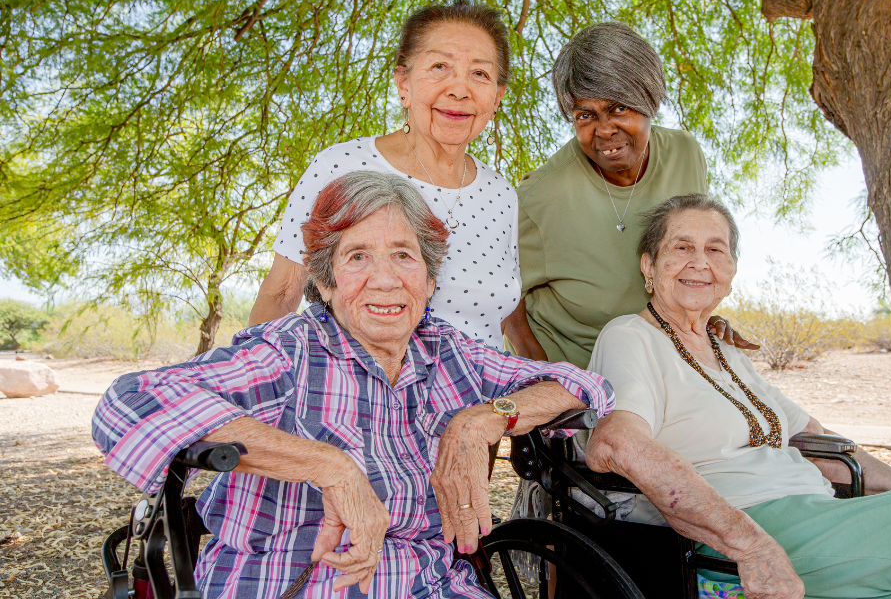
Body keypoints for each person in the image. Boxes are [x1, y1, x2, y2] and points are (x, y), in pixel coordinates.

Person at [93, 172, 614, 599]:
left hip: (431, 587)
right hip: (294, 583)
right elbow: (129, 402)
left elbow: (581, 383)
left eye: (404, 256)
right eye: (358, 256)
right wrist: (330, 467)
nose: (385, 279)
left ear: (430, 281)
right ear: (325, 281)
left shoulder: (447, 351)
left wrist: (483, 418)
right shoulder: (290, 351)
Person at [584, 193, 891, 599]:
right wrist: (751, 545)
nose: (700, 262)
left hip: (813, 512)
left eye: (715, 249)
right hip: (740, 523)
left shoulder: (730, 354)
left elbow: (816, 438)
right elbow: (618, 443)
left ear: (732, 270)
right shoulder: (630, 337)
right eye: (682, 248)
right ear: (648, 265)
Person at [251, 0, 519, 351]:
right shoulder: (340, 165)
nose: (459, 89)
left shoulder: (502, 195)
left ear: (497, 97)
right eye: (440, 67)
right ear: (404, 84)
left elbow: (500, 318)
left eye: (480, 74)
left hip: (481, 397)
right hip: (362, 397)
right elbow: (283, 294)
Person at [502, 21, 749, 368]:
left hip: (666, 362)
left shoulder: (685, 155)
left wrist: (702, 323)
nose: (604, 130)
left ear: (649, 98)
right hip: (582, 378)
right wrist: (543, 374)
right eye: (586, 115)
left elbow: (690, 257)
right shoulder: (540, 196)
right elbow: (502, 293)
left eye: (619, 108)